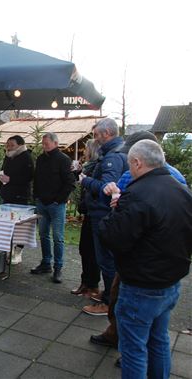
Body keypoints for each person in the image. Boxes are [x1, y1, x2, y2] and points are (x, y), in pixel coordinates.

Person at [89, 131, 187, 360]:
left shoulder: (138, 191)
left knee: (133, 349)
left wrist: (115, 208)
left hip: (142, 279)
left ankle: (116, 339)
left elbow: (114, 236)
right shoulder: (181, 187)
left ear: (138, 162)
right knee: (159, 340)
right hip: (170, 279)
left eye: (130, 162)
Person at [79, 118, 128, 316]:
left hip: (102, 214)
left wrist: (86, 180)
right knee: (105, 259)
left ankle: (109, 303)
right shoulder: (113, 152)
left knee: (106, 260)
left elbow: (107, 188)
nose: (95, 138)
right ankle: (109, 295)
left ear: (107, 133)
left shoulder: (113, 157)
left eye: (97, 135)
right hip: (101, 213)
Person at [31, 132, 75, 283]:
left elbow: (70, 183)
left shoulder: (63, 159)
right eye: (43, 144)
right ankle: (45, 263)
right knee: (43, 234)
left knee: (58, 238)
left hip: (56, 205)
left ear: (55, 144)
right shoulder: (41, 159)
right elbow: (36, 179)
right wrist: (36, 196)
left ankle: (58, 267)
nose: (44, 146)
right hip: (42, 203)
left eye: (46, 144)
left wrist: (58, 200)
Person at [71, 139, 101, 298]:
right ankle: (87, 283)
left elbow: (96, 189)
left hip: (94, 213)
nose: (84, 152)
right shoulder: (90, 167)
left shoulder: (97, 167)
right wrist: (78, 173)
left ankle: (92, 286)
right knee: (85, 249)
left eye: (86, 150)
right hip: (88, 211)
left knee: (91, 251)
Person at [0, 135, 34, 265]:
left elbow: (28, 177)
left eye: (12, 145)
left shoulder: (26, 157)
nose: (9, 147)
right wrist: (2, 179)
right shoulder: (8, 156)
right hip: (7, 195)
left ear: (20, 145)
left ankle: (18, 251)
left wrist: (10, 179)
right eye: (7, 145)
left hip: (20, 196)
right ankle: (8, 250)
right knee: (6, 224)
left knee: (19, 226)